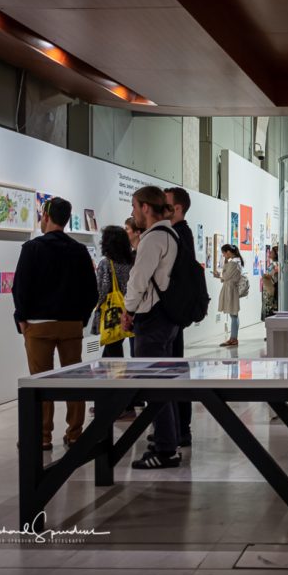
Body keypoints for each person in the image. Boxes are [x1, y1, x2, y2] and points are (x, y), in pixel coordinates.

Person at [12, 197, 97, 450]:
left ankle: (42, 436)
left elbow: (20, 287)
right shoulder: (79, 251)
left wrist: (22, 318)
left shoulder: (32, 248)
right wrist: (81, 318)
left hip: (39, 325)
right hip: (71, 325)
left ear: (46, 217)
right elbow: (91, 292)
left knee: (41, 381)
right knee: (74, 380)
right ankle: (75, 434)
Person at [122, 186, 182, 469]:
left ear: (146, 207)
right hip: (166, 318)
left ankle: (166, 449)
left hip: (151, 318)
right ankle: (168, 440)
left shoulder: (153, 238)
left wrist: (128, 310)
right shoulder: (171, 233)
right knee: (163, 384)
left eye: (134, 206)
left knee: (155, 385)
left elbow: (138, 280)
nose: (133, 212)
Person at [164, 187, 197, 447]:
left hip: (171, 315)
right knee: (173, 370)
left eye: (164, 205)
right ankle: (178, 428)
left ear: (177, 209)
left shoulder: (178, 234)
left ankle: (178, 429)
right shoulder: (180, 234)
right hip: (175, 315)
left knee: (171, 372)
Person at [92, 226, 134, 359]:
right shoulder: (131, 262)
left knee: (113, 351)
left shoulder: (106, 264)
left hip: (113, 314)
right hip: (129, 311)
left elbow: (102, 290)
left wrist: (96, 306)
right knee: (112, 350)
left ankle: (118, 378)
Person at [217, 244, 243, 347]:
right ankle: (233, 337)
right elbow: (225, 277)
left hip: (230, 290)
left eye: (224, 253)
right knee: (234, 314)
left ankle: (233, 338)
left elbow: (225, 276)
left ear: (228, 252)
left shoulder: (233, 263)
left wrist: (224, 266)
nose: (223, 256)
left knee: (233, 314)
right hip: (231, 288)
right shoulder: (236, 262)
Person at [262, 245, 279, 320]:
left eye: (271, 252)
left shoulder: (275, 264)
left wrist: (266, 275)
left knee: (270, 307)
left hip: (270, 289)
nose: (270, 254)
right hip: (269, 288)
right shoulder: (275, 264)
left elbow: (271, 276)